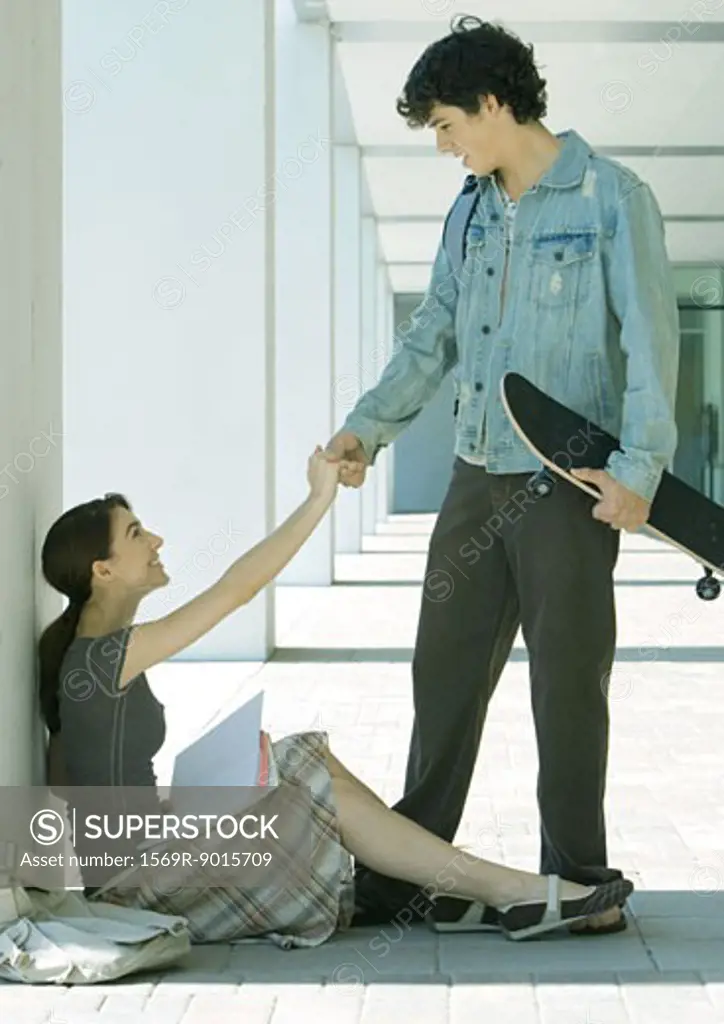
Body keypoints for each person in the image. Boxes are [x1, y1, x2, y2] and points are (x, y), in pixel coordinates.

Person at [326, 16, 680, 935]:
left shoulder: (612, 198)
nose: (442, 146)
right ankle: (409, 869)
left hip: (569, 487)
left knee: (567, 685)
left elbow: (651, 343)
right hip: (476, 475)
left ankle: (580, 881)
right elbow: (433, 332)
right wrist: (368, 429)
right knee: (440, 675)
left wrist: (640, 469)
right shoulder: (473, 209)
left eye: (446, 124)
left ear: (492, 104)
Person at [37, 448, 632, 947]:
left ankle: (452, 886)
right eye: (137, 534)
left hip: (150, 855)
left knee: (301, 759)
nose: (157, 538)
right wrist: (318, 499)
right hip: (140, 883)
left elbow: (81, 786)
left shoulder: (92, 651)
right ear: (102, 571)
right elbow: (236, 590)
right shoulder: (98, 659)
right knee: (301, 767)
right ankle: (514, 893)